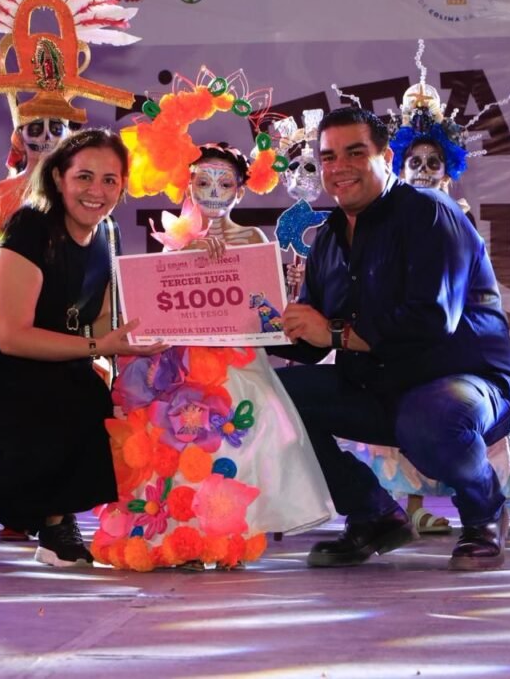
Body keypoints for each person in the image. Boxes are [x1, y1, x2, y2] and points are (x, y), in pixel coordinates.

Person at [339, 82, 510, 533]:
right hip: (396, 339)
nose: (423, 171)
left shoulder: (450, 214)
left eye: (433, 163)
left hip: (448, 340)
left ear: (448, 170)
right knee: (386, 406)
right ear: (398, 166)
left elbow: (450, 295)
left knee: (443, 413)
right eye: (414, 163)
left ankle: (480, 506)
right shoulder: (379, 218)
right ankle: (400, 507)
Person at [271, 106, 510, 570]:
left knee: (430, 417)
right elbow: (313, 341)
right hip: (378, 386)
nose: (339, 167)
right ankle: (373, 514)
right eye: (328, 157)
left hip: (460, 380)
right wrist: (241, 328)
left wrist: (335, 332)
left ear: (386, 157)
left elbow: (430, 322)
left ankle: (484, 511)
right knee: (272, 397)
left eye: (355, 153)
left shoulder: (429, 212)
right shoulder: (328, 238)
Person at [0, 128, 168, 568]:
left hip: (42, 361)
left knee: (91, 404)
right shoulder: (29, 226)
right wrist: (98, 345)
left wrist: (158, 328)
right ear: (58, 177)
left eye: (110, 180)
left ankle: (55, 526)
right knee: (40, 431)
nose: (96, 191)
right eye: (84, 177)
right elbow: (12, 336)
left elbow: (101, 320)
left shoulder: (107, 234)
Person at [91, 143, 333, 571]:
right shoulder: (176, 239)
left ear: (240, 191)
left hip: (238, 358)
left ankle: (227, 539)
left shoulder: (253, 238)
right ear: (189, 187)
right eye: (204, 182)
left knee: (245, 435)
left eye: (224, 184)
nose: (214, 192)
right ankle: (181, 533)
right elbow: (159, 302)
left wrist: (278, 283)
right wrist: (189, 255)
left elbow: (264, 305)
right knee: (182, 438)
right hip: (184, 364)